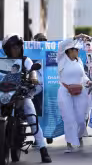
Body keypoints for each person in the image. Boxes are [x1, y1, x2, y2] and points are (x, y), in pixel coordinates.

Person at [2, 34, 52, 163]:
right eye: (13, 47)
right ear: (7, 49)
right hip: (5, 95)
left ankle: (43, 150)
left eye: (18, 46)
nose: (16, 49)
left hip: (21, 95)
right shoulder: (3, 62)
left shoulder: (26, 60)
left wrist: (33, 77)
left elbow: (32, 70)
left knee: (31, 116)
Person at [57, 37, 92, 153]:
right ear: (69, 51)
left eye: (78, 50)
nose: (77, 52)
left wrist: (88, 81)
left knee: (81, 119)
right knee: (69, 118)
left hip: (80, 92)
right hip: (65, 91)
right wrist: (75, 38)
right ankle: (69, 143)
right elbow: (62, 44)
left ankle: (79, 136)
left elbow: (83, 76)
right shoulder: (62, 59)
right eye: (76, 50)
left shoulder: (79, 61)